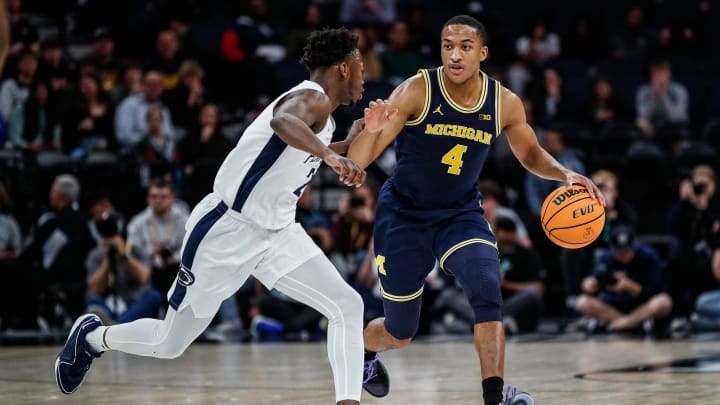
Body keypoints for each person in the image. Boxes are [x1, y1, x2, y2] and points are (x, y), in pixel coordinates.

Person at [55, 27, 392, 405]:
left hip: (278, 233)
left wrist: (355, 138)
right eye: (361, 66)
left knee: (347, 304)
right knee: (169, 343)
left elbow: (305, 151)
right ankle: (91, 338)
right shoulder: (308, 98)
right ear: (344, 68)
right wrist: (333, 155)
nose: (366, 74)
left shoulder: (324, 118)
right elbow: (284, 122)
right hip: (227, 230)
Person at [348, 15, 603, 405]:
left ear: (482, 53)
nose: (454, 54)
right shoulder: (417, 89)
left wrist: (564, 173)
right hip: (404, 214)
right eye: (448, 45)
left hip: (459, 213)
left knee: (487, 289)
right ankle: (365, 350)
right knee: (401, 331)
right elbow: (359, 162)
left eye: (465, 46)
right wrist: (370, 130)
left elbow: (530, 153)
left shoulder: (503, 102)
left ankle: (494, 398)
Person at [574, 226, 672, 333]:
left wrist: (630, 287)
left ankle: (624, 323)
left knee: (664, 302)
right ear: (612, 248)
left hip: (640, 306)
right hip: (611, 306)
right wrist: (589, 285)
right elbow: (592, 281)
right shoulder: (604, 258)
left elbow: (654, 290)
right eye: (620, 252)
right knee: (582, 302)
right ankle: (631, 324)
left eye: (627, 251)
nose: (624, 256)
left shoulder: (648, 257)